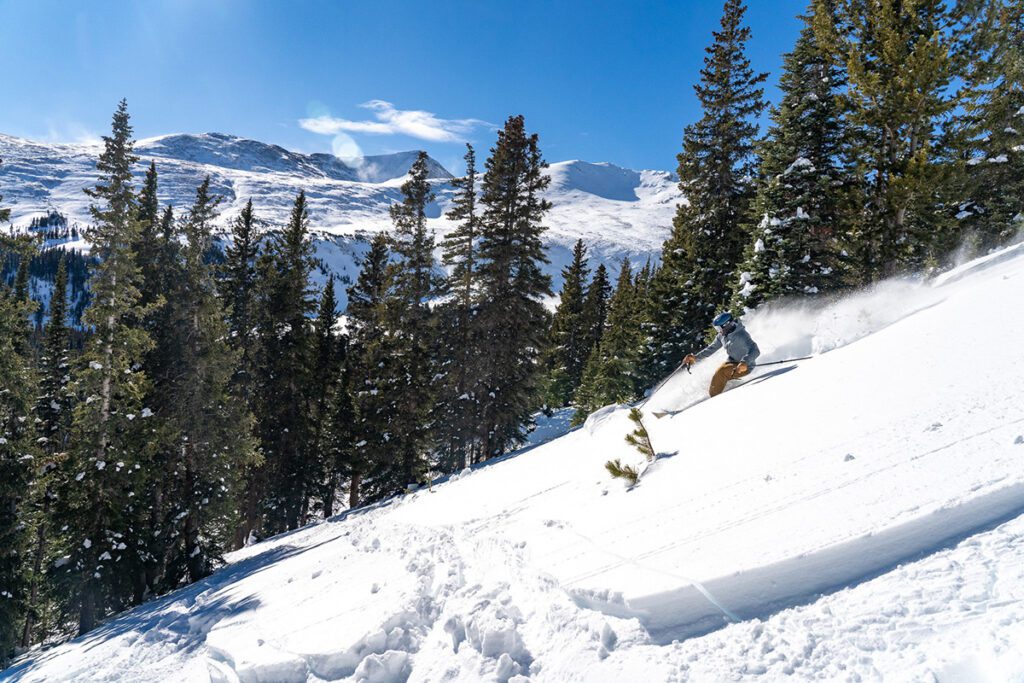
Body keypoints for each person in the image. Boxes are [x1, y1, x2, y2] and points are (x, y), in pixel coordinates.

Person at [682, 312, 760, 397]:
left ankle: (714, 398)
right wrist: (696, 357)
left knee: (721, 372)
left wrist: (745, 362)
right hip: (732, 362)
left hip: (745, 367)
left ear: (727, 325)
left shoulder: (741, 335)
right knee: (718, 371)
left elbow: (755, 350)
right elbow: (711, 348)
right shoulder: (722, 336)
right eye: (717, 329)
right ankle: (716, 392)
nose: (718, 331)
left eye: (719, 328)